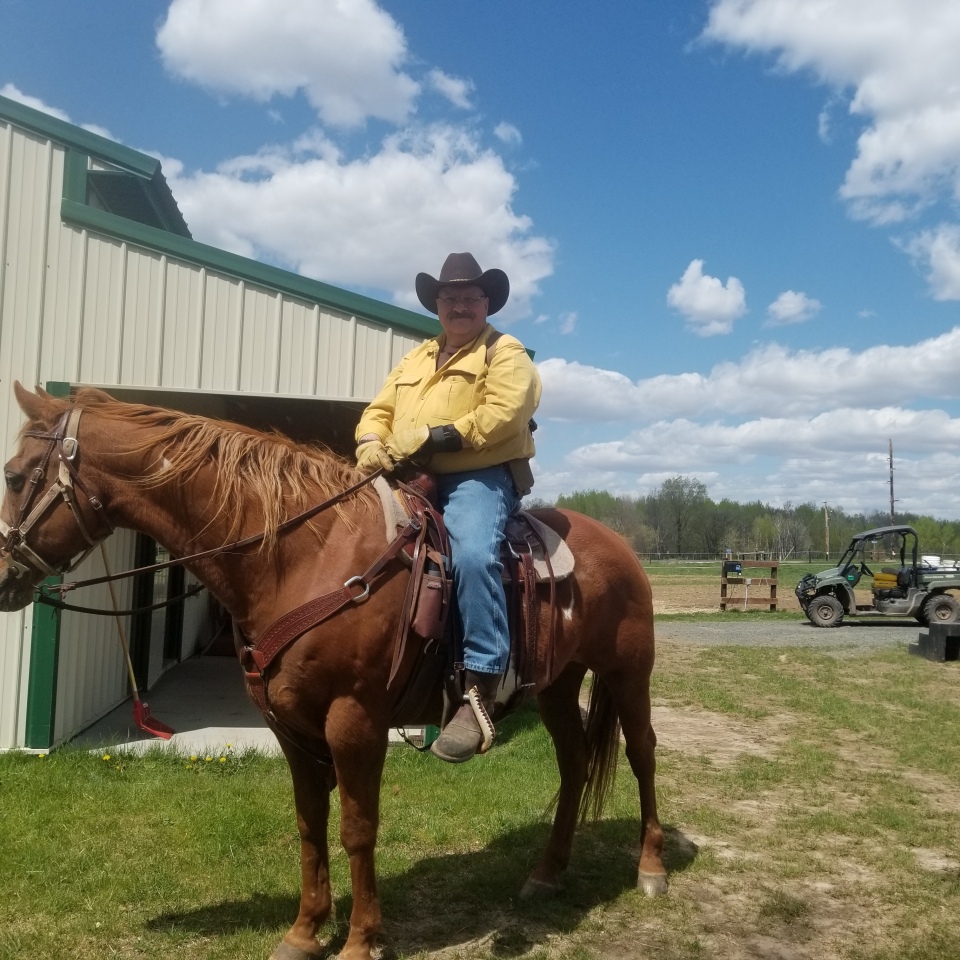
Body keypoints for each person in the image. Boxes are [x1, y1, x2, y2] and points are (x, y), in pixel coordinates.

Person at [355, 252, 541, 763]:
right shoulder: (416, 357)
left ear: (487, 303)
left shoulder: (506, 353)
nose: (459, 305)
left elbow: (503, 414)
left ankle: (481, 686)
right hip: (404, 472)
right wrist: (371, 443)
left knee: (474, 554)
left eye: (469, 297)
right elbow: (378, 410)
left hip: (478, 475)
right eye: (449, 298)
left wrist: (430, 437)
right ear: (436, 305)